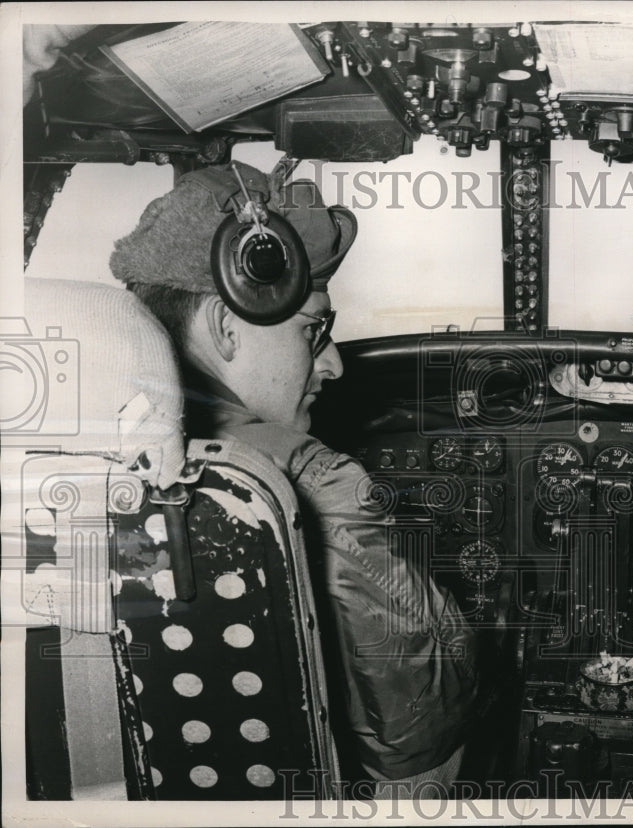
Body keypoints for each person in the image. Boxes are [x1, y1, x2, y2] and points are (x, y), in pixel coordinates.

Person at [109, 161, 478, 792]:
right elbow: (417, 734)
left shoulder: (86, 453)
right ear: (228, 328)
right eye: (315, 331)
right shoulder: (313, 484)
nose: (332, 363)